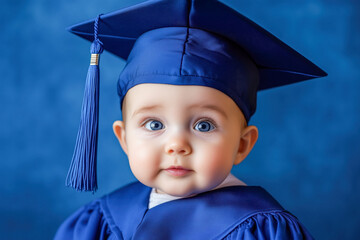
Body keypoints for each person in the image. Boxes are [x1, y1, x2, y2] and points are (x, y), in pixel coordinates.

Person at [54, 0, 327, 239]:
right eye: (154, 124)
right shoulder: (99, 222)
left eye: (203, 125)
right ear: (124, 138)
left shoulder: (261, 231)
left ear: (242, 145)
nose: (177, 144)